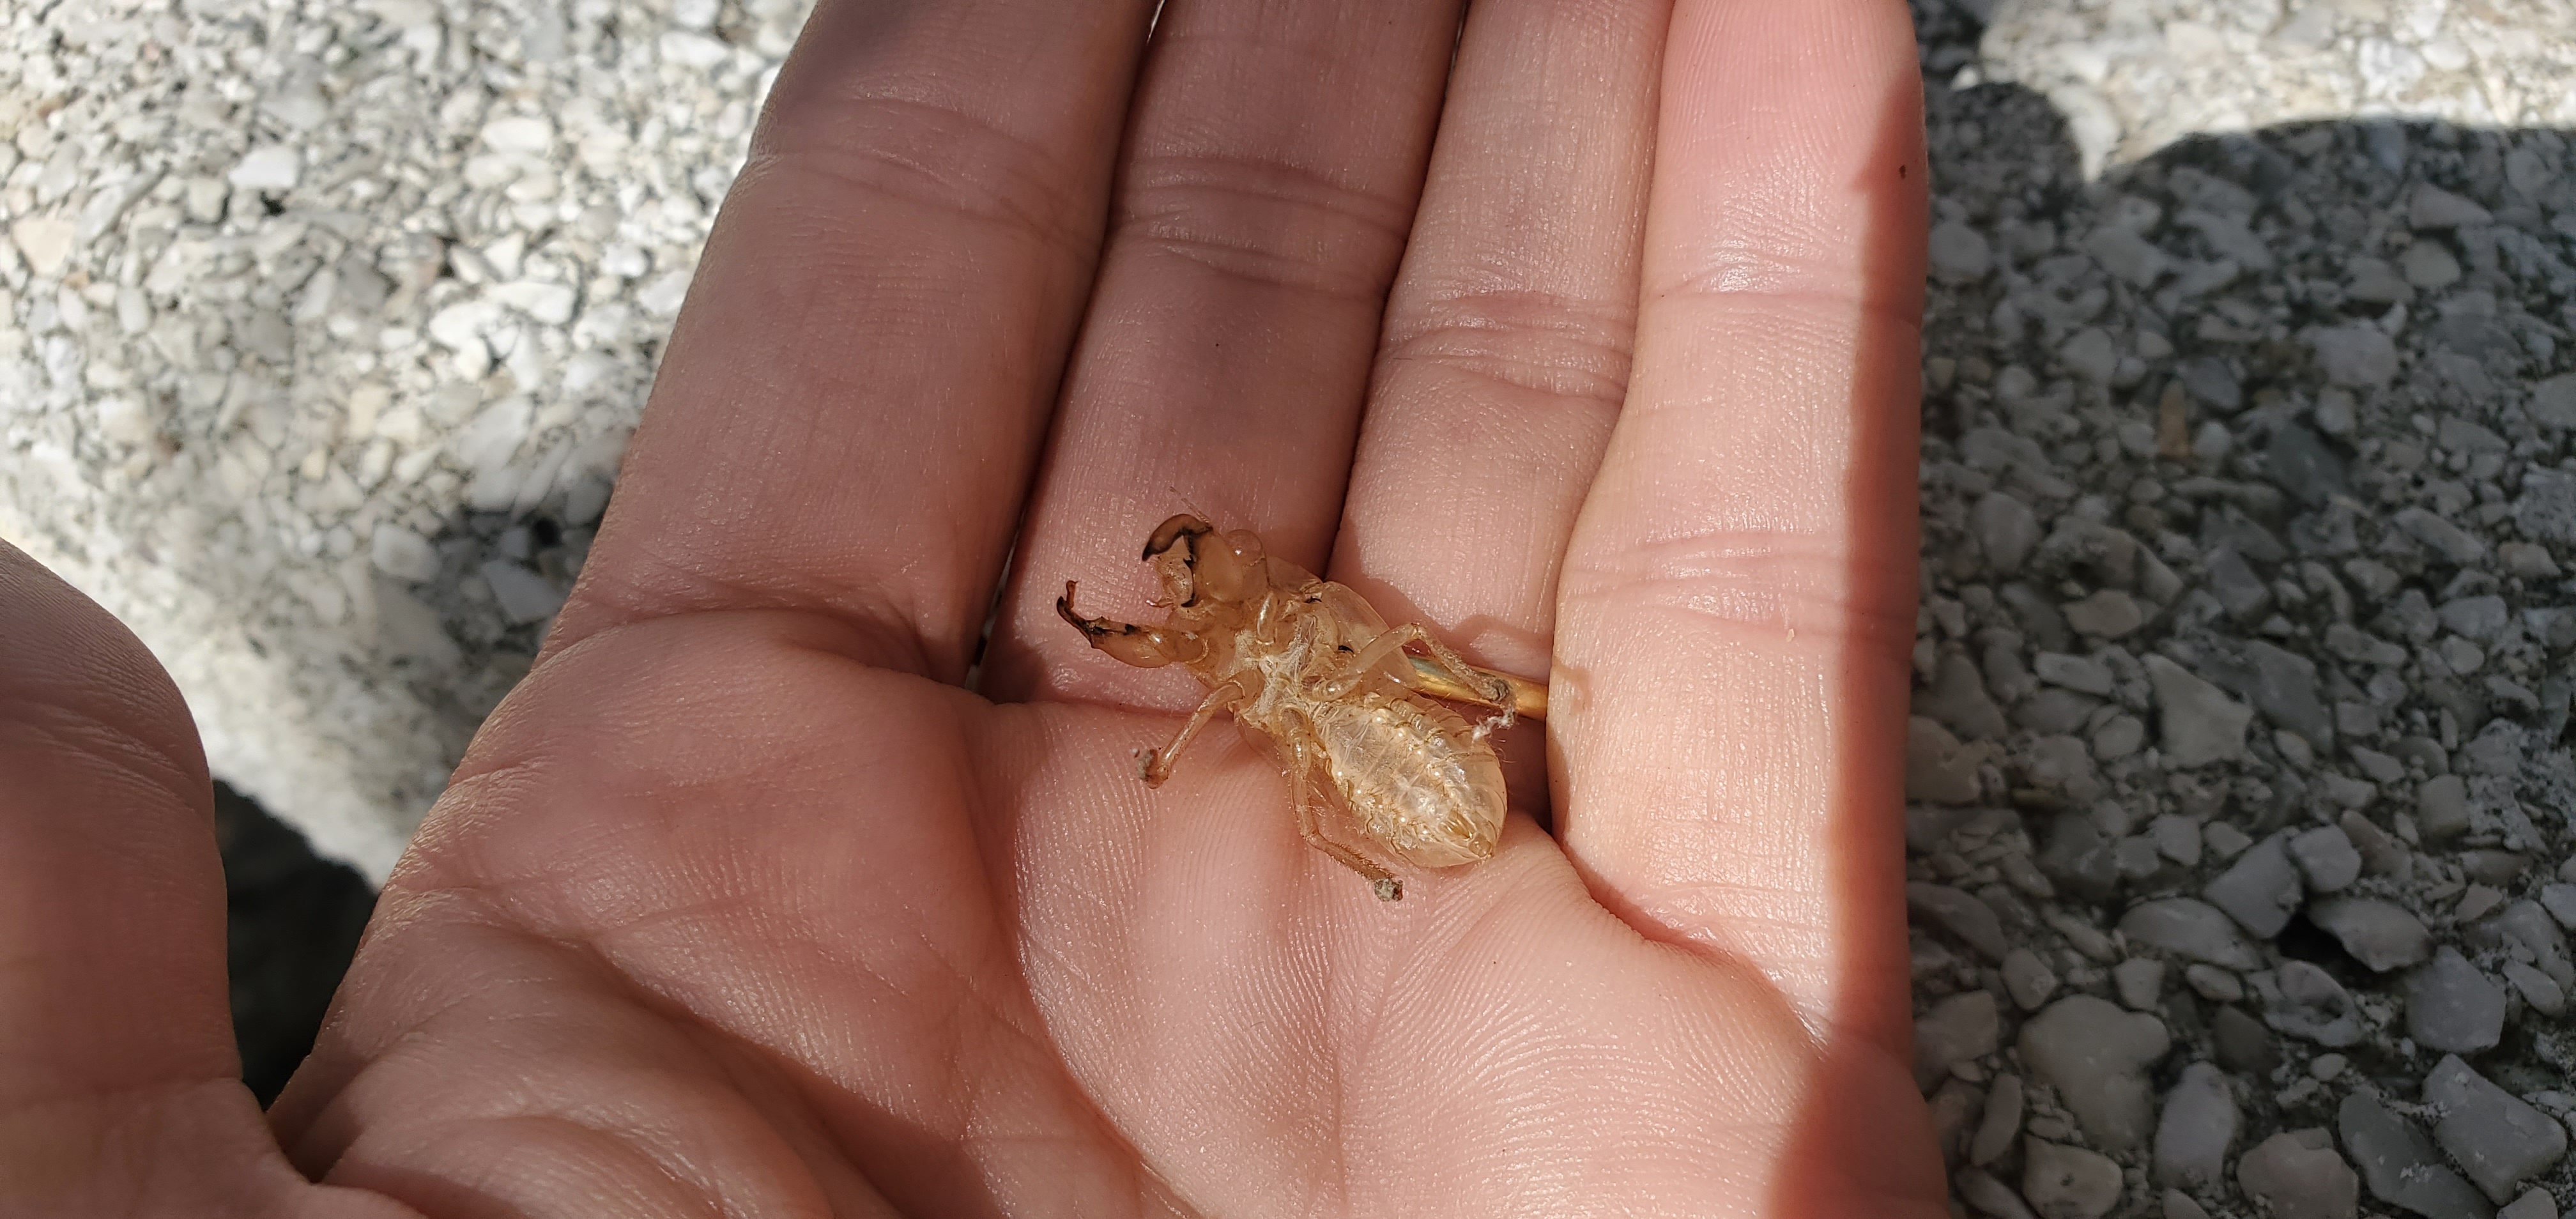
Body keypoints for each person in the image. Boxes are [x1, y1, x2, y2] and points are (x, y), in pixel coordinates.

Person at [1, 0, 1946, 1212]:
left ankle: (1429, 764)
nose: (1203, 586)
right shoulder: (1265, 644)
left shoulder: (1267, 650)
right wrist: (1183, 657)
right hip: (1370, 733)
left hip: (1379, 740)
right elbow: (1220, 669)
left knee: (1335, 725)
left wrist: (1223, 669)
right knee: (1332, 724)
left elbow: (1228, 674)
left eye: (1207, 582)